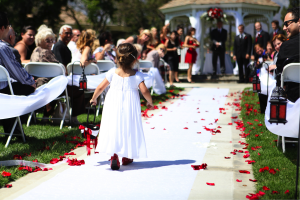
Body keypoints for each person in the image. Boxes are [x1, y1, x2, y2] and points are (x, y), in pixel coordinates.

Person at [90, 43, 153, 170]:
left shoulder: (112, 72)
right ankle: (126, 156)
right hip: (130, 104)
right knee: (128, 127)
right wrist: (150, 102)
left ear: (117, 58)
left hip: (113, 102)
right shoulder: (137, 75)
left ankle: (114, 155)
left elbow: (101, 87)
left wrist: (94, 98)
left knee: (114, 126)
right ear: (135, 59)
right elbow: (145, 91)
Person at [0, 11, 36, 135]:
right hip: (2, 93)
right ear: (3, 28)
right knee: (27, 88)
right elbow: (17, 73)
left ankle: (12, 128)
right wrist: (31, 82)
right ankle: (13, 129)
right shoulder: (3, 47)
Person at [52, 25, 84, 125]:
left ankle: (73, 116)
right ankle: (74, 117)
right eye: (66, 33)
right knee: (80, 89)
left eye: (70, 33)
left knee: (81, 87)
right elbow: (62, 66)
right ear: (60, 34)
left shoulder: (64, 47)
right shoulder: (59, 46)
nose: (69, 35)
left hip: (63, 80)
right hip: (59, 83)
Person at [30, 26, 59, 118]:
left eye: (52, 40)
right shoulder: (47, 53)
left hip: (34, 84)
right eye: (47, 40)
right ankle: (48, 115)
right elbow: (60, 69)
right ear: (40, 40)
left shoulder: (34, 51)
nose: (50, 43)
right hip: (47, 85)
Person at [276, 7, 300, 102]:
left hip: (291, 98)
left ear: (299, 22)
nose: (284, 28)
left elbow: (279, 72)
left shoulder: (286, 46)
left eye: (287, 23)